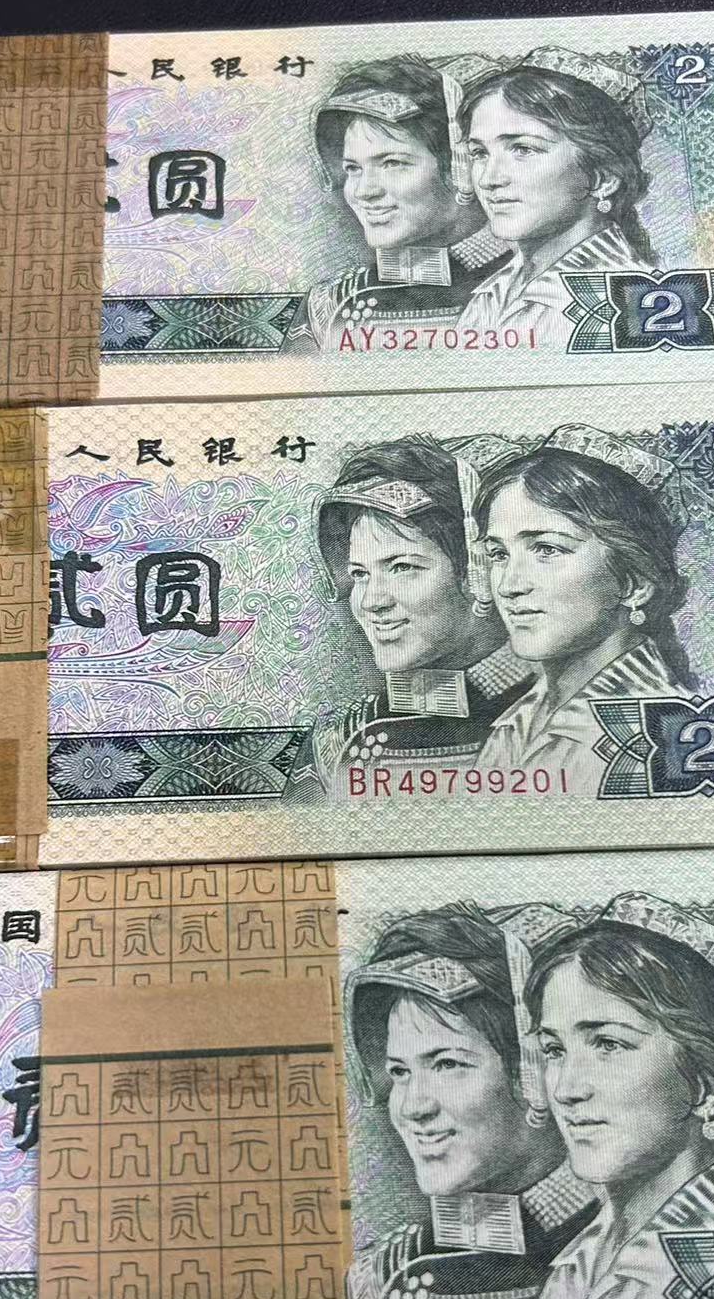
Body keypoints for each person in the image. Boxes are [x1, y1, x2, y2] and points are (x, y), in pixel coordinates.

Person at [344, 901, 599, 1299]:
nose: (413, 1107)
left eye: (447, 1064)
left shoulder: (631, 1247)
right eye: (400, 1072)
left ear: (538, 1070)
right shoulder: (379, 1276)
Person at [523, 892, 714, 1299]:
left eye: (608, 1044)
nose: (565, 1090)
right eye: (554, 1050)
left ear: (708, 1087)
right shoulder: (580, 1259)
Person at [289, 434, 531, 797]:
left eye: (401, 567)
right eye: (360, 574)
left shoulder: (562, 713)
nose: (371, 601)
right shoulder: (338, 740)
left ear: (476, 572)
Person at [472, 422, 691, 792]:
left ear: (634, 583)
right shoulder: (518, 720)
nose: (509, 586)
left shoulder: (660, 733)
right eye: (499, 554)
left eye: (547, 549)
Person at [288, 54, 513, 351]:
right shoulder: (330, 304)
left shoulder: (534, 285)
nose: (363, 191)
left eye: (392, 163)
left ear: (461, 167)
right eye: (353, 168)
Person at [455, 47, 655, 347]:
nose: (488, 179)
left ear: (603, 178)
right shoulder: (493, 293)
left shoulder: (628, 302)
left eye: (523, 149)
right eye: (480, 153)